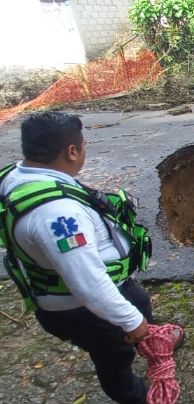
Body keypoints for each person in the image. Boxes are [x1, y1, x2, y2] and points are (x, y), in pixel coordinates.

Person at [0, 112, 163, 403]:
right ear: (72, 151)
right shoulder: (58, 215)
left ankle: (152, 340)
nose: (85, 150)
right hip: (80, 308)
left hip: (95, 288)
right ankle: (136, 395)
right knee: (113, 356)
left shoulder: (18, 174)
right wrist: (131, 321)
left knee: (139, 301)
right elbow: (89, 284)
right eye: (83, 145)